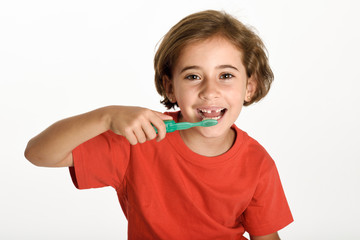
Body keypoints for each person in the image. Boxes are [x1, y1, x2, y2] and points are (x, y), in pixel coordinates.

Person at [25, 10, 293, 240]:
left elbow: (266, 235)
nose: (210, 91)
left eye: (225, 75)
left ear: (250, 87)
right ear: (170, 88)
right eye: (193, 76)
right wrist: (105, 117)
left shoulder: (258, 163)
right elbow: (37, 154)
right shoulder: (138, 141)